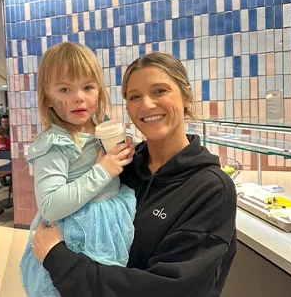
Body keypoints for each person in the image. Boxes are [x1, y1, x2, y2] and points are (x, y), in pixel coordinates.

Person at [30, 52, 238, 297]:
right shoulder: (124, 166)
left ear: (187, 96)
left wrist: (57, 258)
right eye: (134, 96)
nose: (147, 105)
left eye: (159, 91)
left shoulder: (211, 190)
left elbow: (168, 289)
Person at [18, 42, 136, 297]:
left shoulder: (100, 129)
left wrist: (122, 153)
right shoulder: (55, 143)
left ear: (99, 91)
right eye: (64, 89)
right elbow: (49, 205)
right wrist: (103, 170)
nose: (78, 97)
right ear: (48, 97)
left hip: (108, 227)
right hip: (74, 239)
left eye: (87, 87)